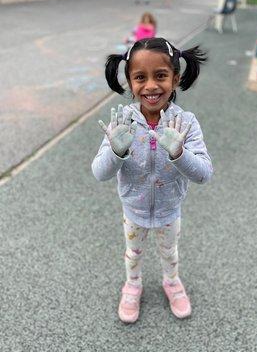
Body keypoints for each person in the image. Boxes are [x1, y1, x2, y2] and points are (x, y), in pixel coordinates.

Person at [91, 37, 213, 323]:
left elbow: (205, 174)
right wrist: (117, 151)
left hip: (170, 210)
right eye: (139, 78)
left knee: (170, 252)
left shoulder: (186, 123)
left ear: (175, 77)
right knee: (133, 254)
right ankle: (132, 285)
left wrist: (180, 153)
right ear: (129, 82)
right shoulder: (122, 122)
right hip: (133, 210)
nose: (150, 86)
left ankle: (172, 282)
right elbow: (100, 172)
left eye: (160, 75)